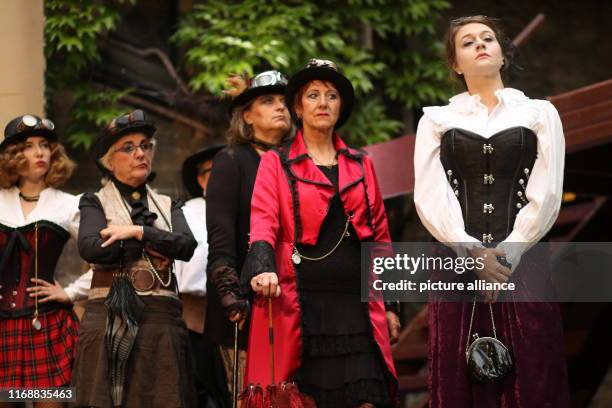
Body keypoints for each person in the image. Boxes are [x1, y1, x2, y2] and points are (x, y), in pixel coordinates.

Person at [413, 16, 570, 407]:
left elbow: (547, 192)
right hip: (455, 261)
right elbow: (430, 195)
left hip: (525, 257)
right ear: (455, 63)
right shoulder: (435, 120)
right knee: (459, 374)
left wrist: (508, 252)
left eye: (488, 39)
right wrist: (471, 253)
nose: (481, 45)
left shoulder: (539, 113)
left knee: (533, 370)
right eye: (467, 42)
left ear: (501, 54)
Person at [242, 59, 399, 408]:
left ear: (341, 106)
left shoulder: (362, 163)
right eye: (312, 95)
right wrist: (262, 265)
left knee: (368, 398)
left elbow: (380, 236)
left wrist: (390, 304)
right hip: (302, 303)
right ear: (298, 107)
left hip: (357, 306)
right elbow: (263, 219)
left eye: (331, 95)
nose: (323, 103)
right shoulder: (275, 161)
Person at [71, 109, 198, 407]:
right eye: (128, 148)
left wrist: (139, 232)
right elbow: (91, 248)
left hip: (161, 324)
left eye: (145, 145)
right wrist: (155, 244)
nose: (140, 153)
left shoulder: (168, 204)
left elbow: (187, 246)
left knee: (166, 398)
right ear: (109, 160)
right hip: (108, 320)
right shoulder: (94, 201)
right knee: (105, 398)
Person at [205, 70, 292, 406]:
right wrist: (230, 293)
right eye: (268, 101)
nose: (280, 107)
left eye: (285, 101)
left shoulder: (299, 161)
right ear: (246, 115)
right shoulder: (230, 160)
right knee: (249, 399)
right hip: (244, 303)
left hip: (292, 299)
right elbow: (221, 238)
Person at [0, 114, 81, 408]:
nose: (39, 153)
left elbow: (103, 258)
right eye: (29, 146)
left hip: (47, 325)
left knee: (51, 403)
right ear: (12, 156)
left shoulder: (69, 204)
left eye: (45, 145)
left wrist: (70, 292)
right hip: (2, 329)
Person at [176, 143, 224, 407]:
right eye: (214, 172)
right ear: (200, 178)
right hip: (194, 319)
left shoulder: (249, 209)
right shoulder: (186, 213)